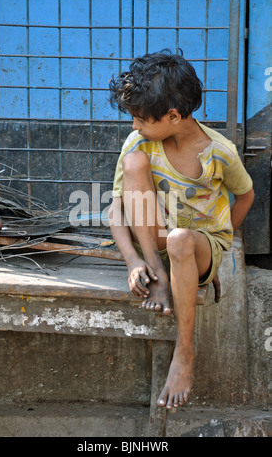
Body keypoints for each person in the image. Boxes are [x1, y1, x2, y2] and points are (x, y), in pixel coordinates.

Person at [108, 50, 254, 411]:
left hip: (197, 243)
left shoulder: (220, 152)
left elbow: (246, 196)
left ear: (172, 115)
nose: (133, 126)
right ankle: (158, 274)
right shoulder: (139, 144)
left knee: (181, 240)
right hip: (154, 242)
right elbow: (117, 209)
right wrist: (131, 262)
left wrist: (215, 248)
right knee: (134, 162)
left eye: (139, 119)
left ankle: (184, 351)